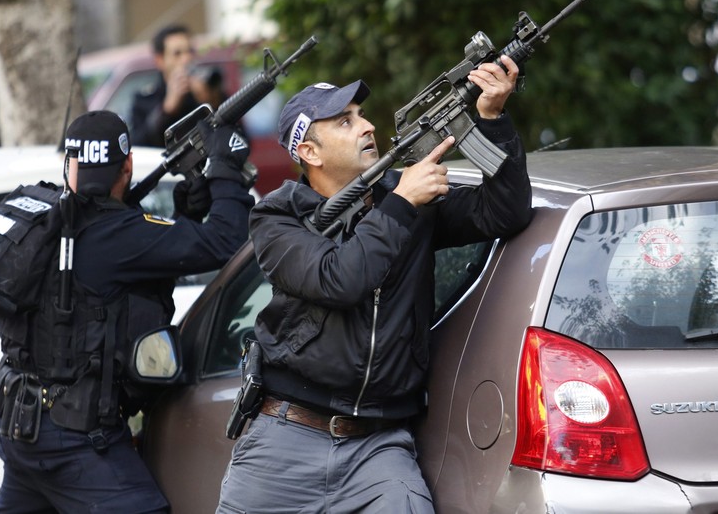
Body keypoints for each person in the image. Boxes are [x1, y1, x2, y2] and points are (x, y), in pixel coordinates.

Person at [216, 55, 534, 513]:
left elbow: (505, 212)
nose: (366, 126)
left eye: (361, 115)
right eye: (345, 122)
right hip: (285, 438)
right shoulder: (277, 218)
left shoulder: (406, 199)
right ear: (310, 152)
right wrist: (402, 203)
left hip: (379, 446)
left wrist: (492, 118)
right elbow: (338, 280)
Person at [0, 110, 254, 512]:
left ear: (70, 165)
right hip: (76, 440)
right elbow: (227, 240)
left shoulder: (45, 222)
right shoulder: (119, 234)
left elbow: (137, 269)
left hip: (20, 427)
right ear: (126, 166)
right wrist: (224, 169)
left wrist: (187, 214)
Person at [130, 24, 225, 147]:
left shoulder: (209, 90)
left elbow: (236, 138)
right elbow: (140, 147)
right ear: (160, 60)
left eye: (190, 51)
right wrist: (166, 110)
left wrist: (210, 103)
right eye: (177, 54)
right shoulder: (145, 100)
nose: (186, 59)